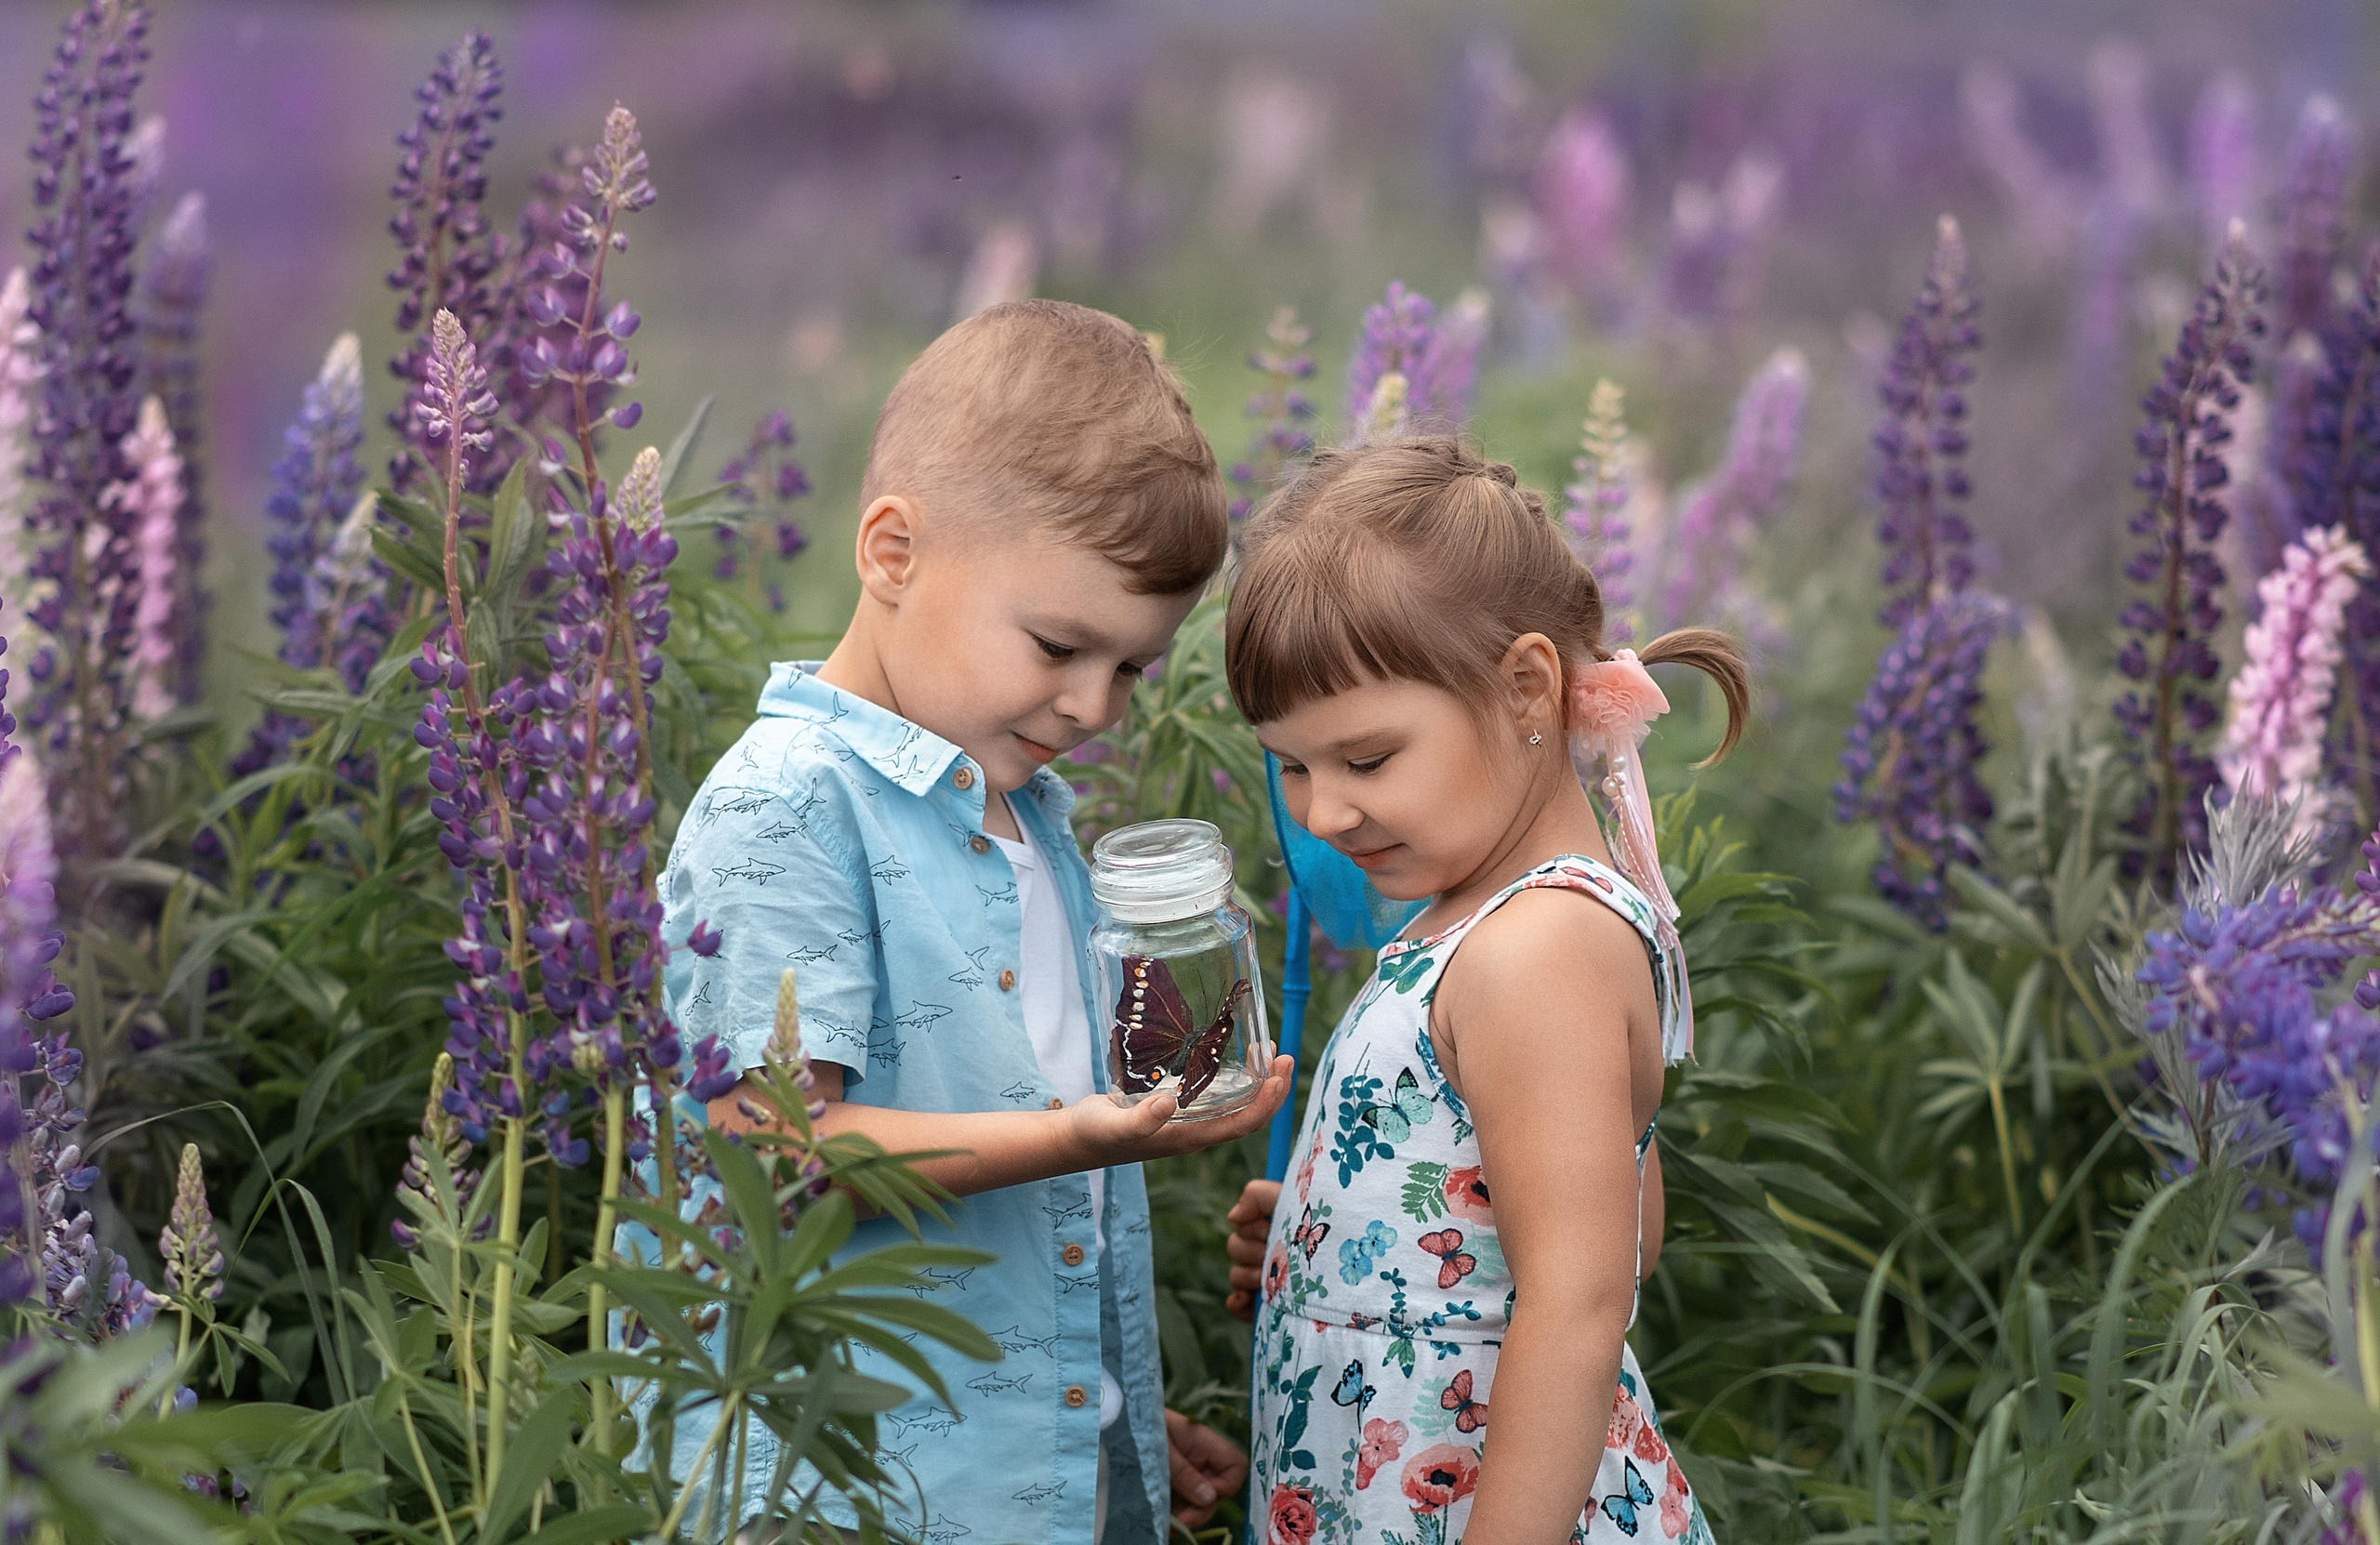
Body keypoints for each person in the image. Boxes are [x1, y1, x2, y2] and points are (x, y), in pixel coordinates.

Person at [643, 298, 1294, 1543]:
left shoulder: (1022, 817)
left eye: (1133, 668)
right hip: (835, 1491)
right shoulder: (789, 807)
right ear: (892, 552)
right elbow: (778, 1147)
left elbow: (1007, 1209)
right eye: (1059, 643)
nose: (1095, 704)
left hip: (1010, 1481)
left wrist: (1094, 1416)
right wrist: (1074, 1135)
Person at [1218, 438, 1739, 1543]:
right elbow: (1618, 1231)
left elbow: (1582, 1300)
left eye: (1363, 760)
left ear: (1524, 688)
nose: (1320, 814)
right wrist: (1342, 1238)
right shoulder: (1479, 923)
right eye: (1293, 765)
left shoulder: (1536, 946)